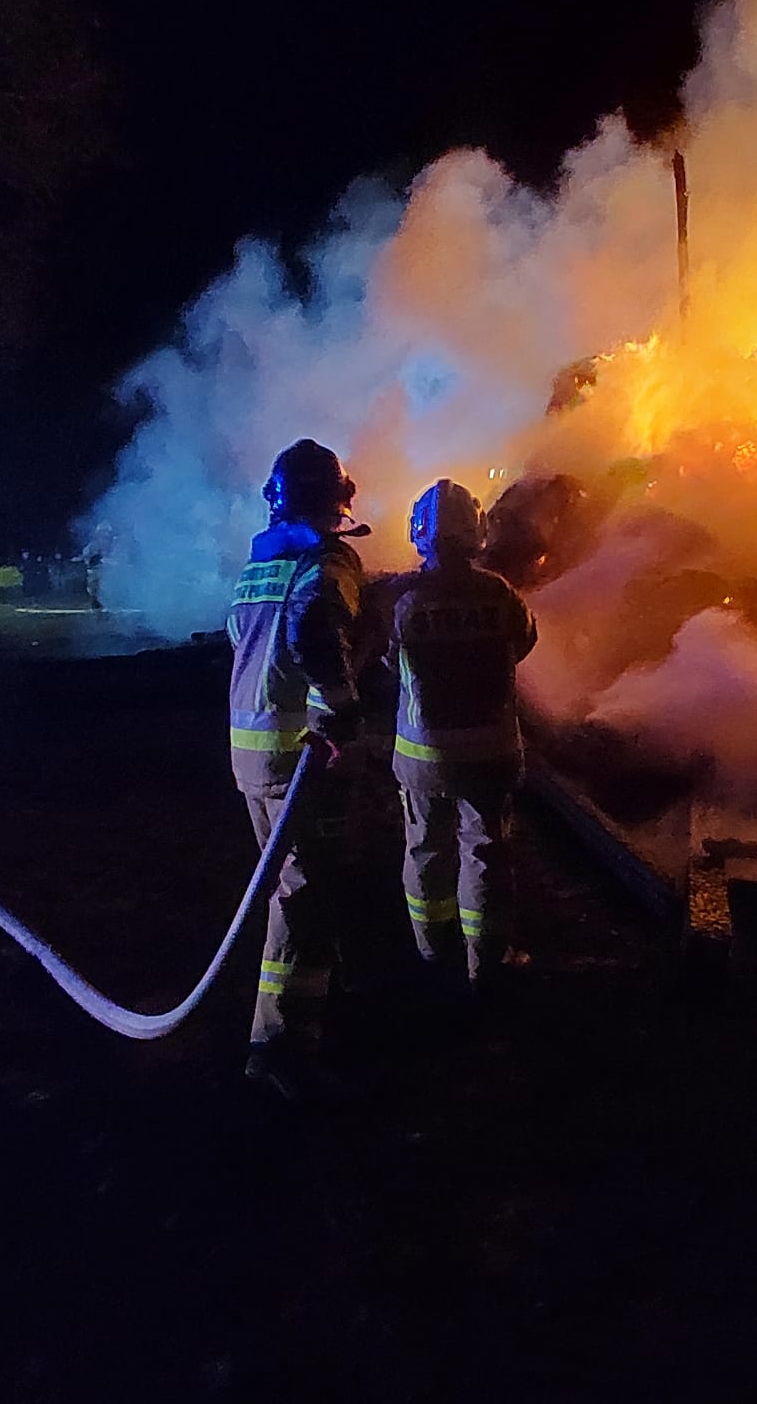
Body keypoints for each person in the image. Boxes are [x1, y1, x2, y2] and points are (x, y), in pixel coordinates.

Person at [229, 439, 368, 1101]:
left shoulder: (259, 565)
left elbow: (246, 642)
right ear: (336, 500)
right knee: (301, 897)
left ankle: (320, 999)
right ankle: (278, 1046)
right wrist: (340, 714)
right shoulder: (326, 560)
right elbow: (316, 630)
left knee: (292, 890)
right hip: (295, 758)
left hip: (251, 752)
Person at [386, 480, 538, 995]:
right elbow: (523, 643)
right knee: (486, 851)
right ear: (476, 532)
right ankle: (486, 964)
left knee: (426, 848)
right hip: (491, 750)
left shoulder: (403, 599)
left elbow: (386, 661)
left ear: (419, 533)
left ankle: (433, 953)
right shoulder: (498, 592)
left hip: (423, 753)